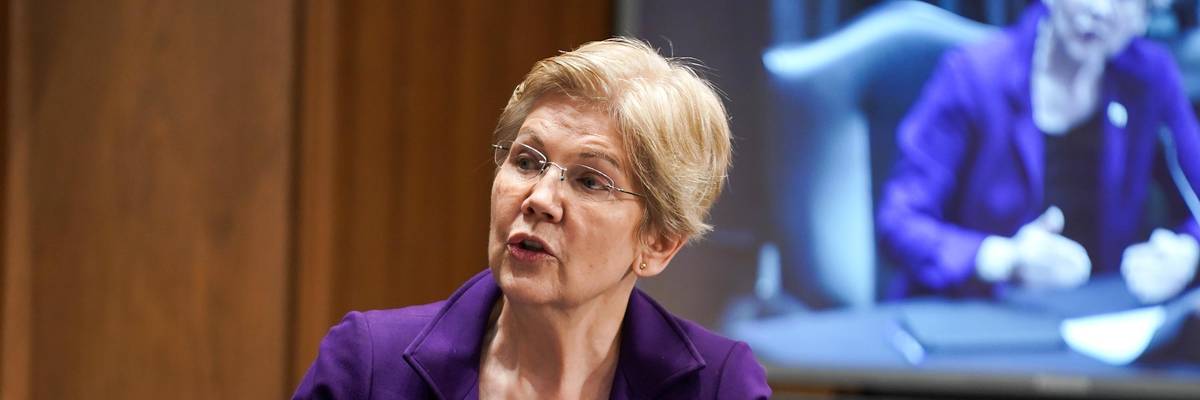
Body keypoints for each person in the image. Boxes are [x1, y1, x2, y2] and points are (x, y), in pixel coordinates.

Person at [292, 38, 771, 399]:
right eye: (526, 161)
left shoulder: (719, 385)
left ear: (659, 243)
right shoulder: (370, 367)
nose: (539, 198)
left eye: (589, 181)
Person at [877, 0, 1200, 302]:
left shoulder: (1150, 77)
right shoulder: (973, 75)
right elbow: (900, 219)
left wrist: (1187, 251)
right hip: (977, 313)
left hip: (1096, 321)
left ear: (1146, 17)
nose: (1100, 9)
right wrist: (1003, 259)